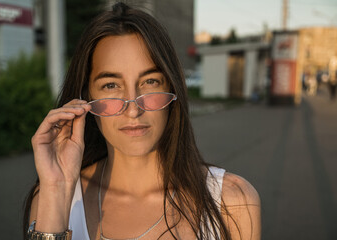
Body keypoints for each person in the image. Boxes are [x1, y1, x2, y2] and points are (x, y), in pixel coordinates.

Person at [23, 2, 261, 240]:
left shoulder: (232, 201)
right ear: (87, 98)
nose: (133, 109)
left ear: (172, 86)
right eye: (111, 86)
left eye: (150, 82)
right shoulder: (51, 196)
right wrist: (56, 190)